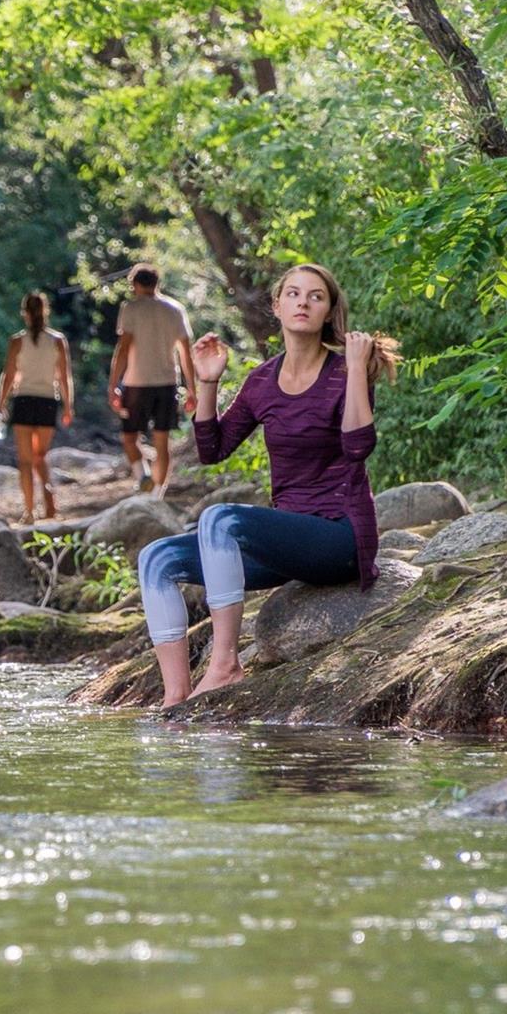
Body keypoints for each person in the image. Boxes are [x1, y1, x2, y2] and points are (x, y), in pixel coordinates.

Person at [136, 263, 401, 710]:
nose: (303, 302)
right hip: (291, 541)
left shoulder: (344, 372)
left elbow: (358, 447)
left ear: (329, 312)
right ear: (277, 306)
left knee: (220, 518)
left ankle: (224, 665)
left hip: (340, 536)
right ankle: (176, 696)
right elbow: (212, 449)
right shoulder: (262, 381)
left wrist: (357, 370)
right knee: (156, 557)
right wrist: (207, 381)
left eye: (315, 296)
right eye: (293, 294)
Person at [108, 265, 196, 497]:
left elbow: (123, 349)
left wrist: (113, 385)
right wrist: (192, 389)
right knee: (161, 440)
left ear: (135, 284)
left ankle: (143, 476)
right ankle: (157, 493)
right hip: (167, 383)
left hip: (136, 382)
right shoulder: (175, 309)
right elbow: (186, 352)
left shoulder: (131, 309)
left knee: (129, 437)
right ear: (157, 284)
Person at [0, 291, 74, 523]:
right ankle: (49, 503)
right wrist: (69, 406)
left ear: (24, 314)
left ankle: (29, 511)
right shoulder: (58, 340)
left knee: (26, 461)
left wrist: (0, 404)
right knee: (40, 456)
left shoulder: (17, 341)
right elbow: (64, 376)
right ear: (45, 311)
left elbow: (8, 375)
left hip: (24, 401)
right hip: (48, 402)